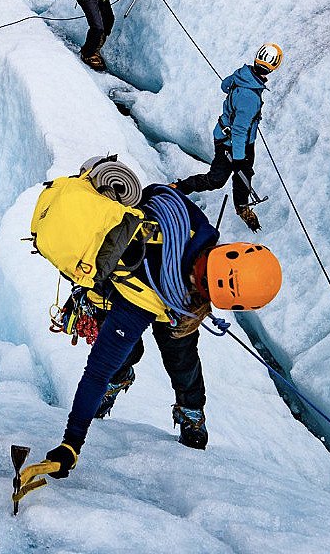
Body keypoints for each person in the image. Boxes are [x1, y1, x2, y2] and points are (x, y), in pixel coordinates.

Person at [30, 174, 282, 483]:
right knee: (171, 356)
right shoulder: (140, 303)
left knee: (174, 356)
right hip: (136, 296)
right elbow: (97, 372)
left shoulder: (193, 224)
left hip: (158, 301)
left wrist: (72, 442)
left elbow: (156, 193)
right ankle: (164, 398)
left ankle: (181, 404)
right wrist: (72, 442)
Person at [173, 43, 284, 232]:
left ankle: (241, 207)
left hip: (226, 136)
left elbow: (224, 85)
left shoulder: (243, 74)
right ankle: (181, 187)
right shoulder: (250, 97)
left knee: (241, 176)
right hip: (234, 143)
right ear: (274, 68)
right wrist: (239, 160)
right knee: (223, 178)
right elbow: (239, 131)